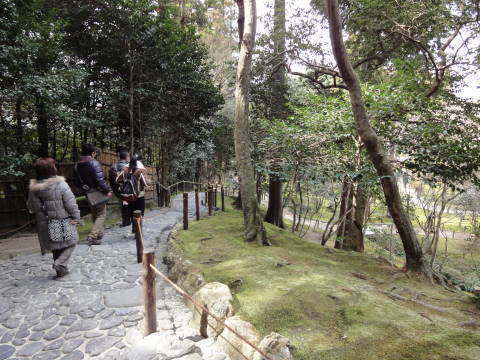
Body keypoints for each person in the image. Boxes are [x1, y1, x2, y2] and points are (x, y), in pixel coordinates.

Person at [27, 158, 80, 277]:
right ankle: (60, 263)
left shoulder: (33, 189)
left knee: (55, 246)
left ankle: (60, 270)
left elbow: (31, 206)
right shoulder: (61, 184)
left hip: (45, 222)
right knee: (73, 241)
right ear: (51, 169)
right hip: (62, 220)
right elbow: (71, 203)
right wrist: (76, 217)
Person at [75, 144, 112, 245]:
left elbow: (77, 182)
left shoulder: (77, 164)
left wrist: (85, 189)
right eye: (95, 153)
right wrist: (107, 190)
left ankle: (99, 234)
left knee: (95, 213)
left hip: (88, 193)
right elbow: (100, 180)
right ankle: (93, 236)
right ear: (92, 153)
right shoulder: (94, 163)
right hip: (97, 192)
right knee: (102, 214)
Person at [116, 156, 148, 234]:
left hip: (128, 196)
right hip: (139, 196)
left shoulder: (125, 170)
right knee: (140, 213)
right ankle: (138, 232)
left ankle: (134, 229)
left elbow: (117, 180)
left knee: (131, 212)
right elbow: (146, 183)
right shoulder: (141, 171)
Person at [109, 150, 131, 227]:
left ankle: (125, 221)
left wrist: (116, 191)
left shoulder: (113, 167)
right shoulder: (130, 166)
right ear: (127, 157)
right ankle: (130, 221)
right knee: (129, 205)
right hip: (130, 191)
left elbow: (111, 181)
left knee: (124, 205)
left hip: (119, 191)